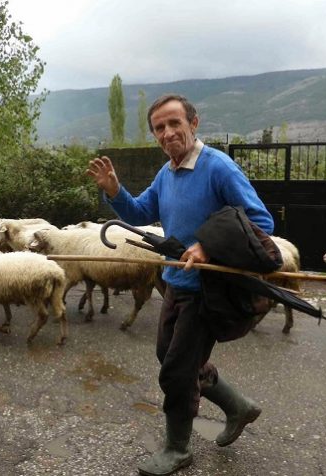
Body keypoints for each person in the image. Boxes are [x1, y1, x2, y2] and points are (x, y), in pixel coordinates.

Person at [87, 94, 274, 476]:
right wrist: (114, 192)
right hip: (175, 282)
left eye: (175, 123)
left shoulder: (218, 168)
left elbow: (261, 222)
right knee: (168, 355)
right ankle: (237, 405)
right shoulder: (166, 173)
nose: (168, 132)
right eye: (160, 127)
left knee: (176, 370)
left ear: (193, 122)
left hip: (209, 289)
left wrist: (208, 246)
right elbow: (141, 213)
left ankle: (178, 449)